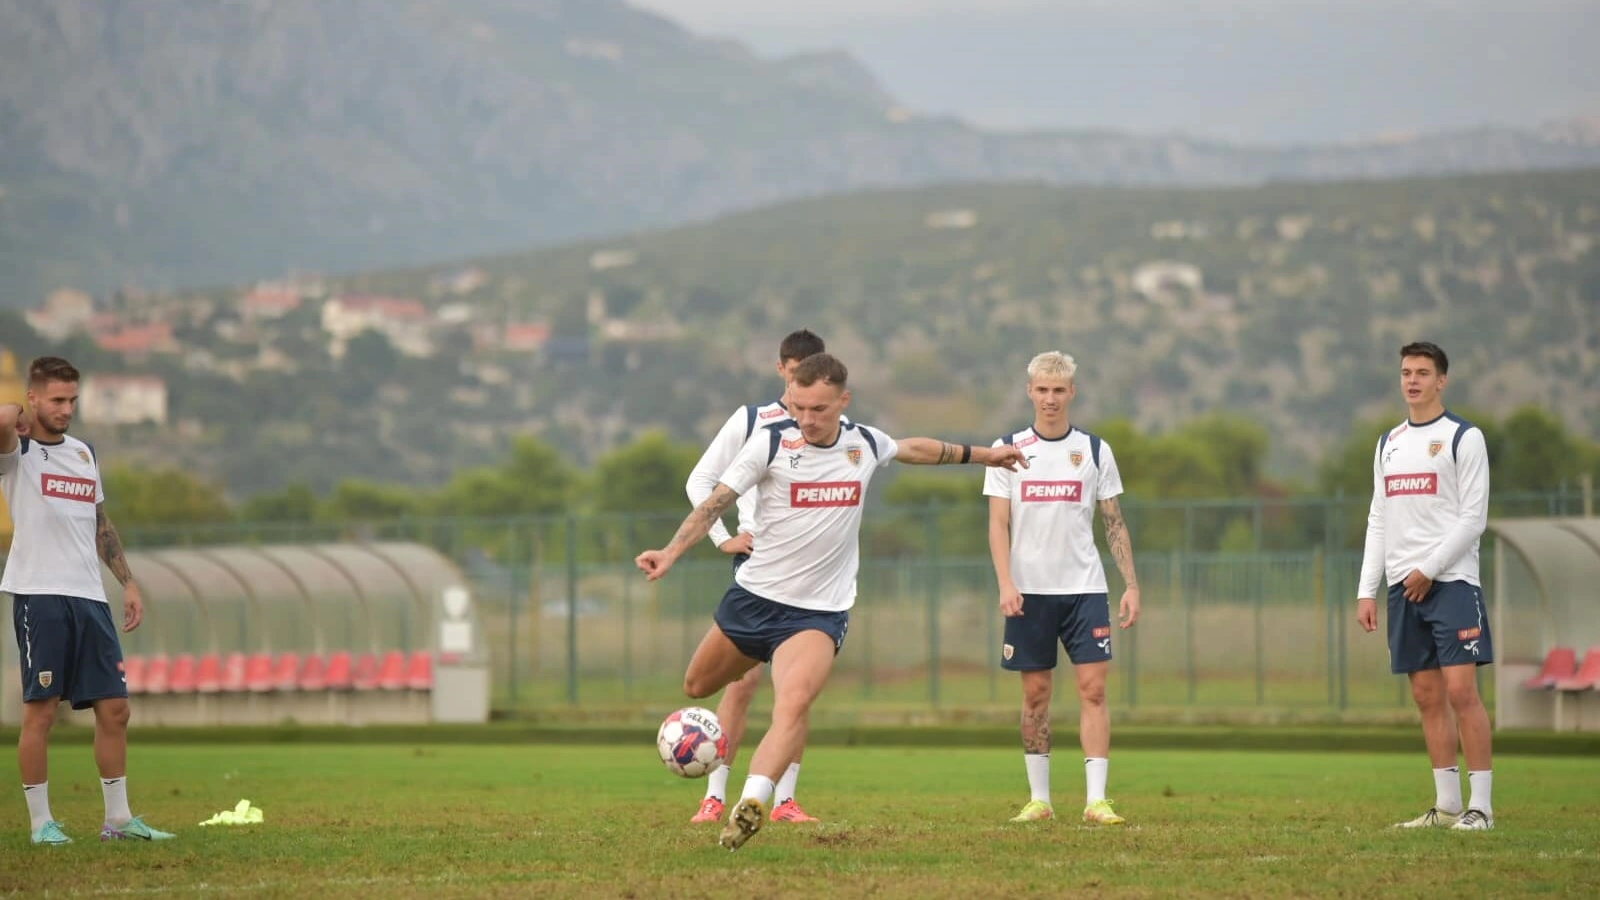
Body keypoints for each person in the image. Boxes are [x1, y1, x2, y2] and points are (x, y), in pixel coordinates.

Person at [638, 353, 1026, 850]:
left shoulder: (863, 443)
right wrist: (671, 552)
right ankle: (725, 770)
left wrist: (984, 456)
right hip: (755, 598)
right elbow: (715, 501)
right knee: (696, 686)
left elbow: (915, 449)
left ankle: (752, 803)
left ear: (843, 401)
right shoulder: (771, 442)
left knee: (793, 704)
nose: (807, 418)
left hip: (817, 613)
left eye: (818, 408)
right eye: (799, 407)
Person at [0, 357, 174, 845]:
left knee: (116, 708)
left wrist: (129, 581)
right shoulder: (17, 450)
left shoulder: (83, 454)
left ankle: (118, 820)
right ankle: (41, 824)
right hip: (41, 595)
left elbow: (99, 523)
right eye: (56, 399)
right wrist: (16, 410)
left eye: (73, 400)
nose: (67, 409)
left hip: (90, 597)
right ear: (34, 398)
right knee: (42, 711)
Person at [983, 351, 1141, 825]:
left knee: (1093, 690)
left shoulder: (1095, 451)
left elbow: (1114, 522)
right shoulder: (1006, 448)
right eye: (1042, 390)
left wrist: (1130, 584)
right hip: (1028, 593)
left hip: (1085, 590)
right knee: (1035, 695)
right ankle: (1040, 800)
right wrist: (1006, 582)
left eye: (1059, 390)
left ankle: (1096, 801)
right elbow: (997, 524)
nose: (1050, 399)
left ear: (1072, 392)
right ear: (1030, 391)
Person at [682, 329, 831, 825]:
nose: (802, 381)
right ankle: (715, 796)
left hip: (811, 581)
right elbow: (700, 480)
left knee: (796, 693)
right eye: (795, 371)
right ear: (782, 369)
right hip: (759, 573)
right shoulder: (753, 421)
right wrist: (722, 537)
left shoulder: (837, 428)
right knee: (741, 686)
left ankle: (785, 798)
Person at [1356, 341, 1494, 831]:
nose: (1412, 380)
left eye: (1422, 372)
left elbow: (1473, 518)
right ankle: (1447, 805)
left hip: (1451, 582)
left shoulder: (1464, 437)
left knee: (1461, 692)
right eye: (1405, 372)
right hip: (1401, 587)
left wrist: (1430, 568)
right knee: (1426, 696)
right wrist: (1366, 589)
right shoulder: (1387, 442)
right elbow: (1379, 516)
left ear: (1441, 380)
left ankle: (1482, 807)